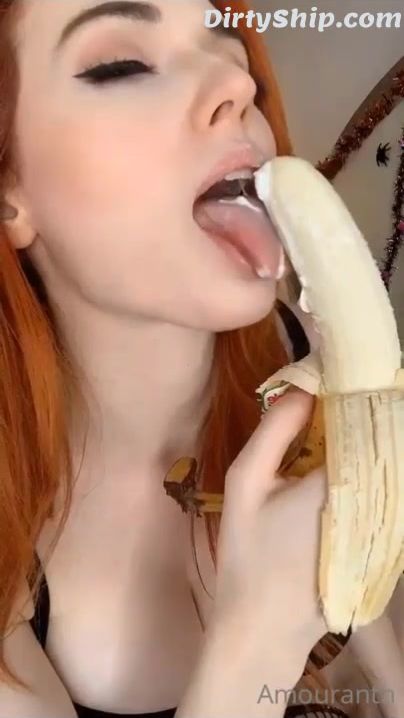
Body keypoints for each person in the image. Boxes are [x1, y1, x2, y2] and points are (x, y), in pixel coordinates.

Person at [0, 0, 396, 716]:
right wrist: (258, 641)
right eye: (122, 65)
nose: (237, 85)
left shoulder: (311, 370)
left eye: (231, 52)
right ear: (10, 193)